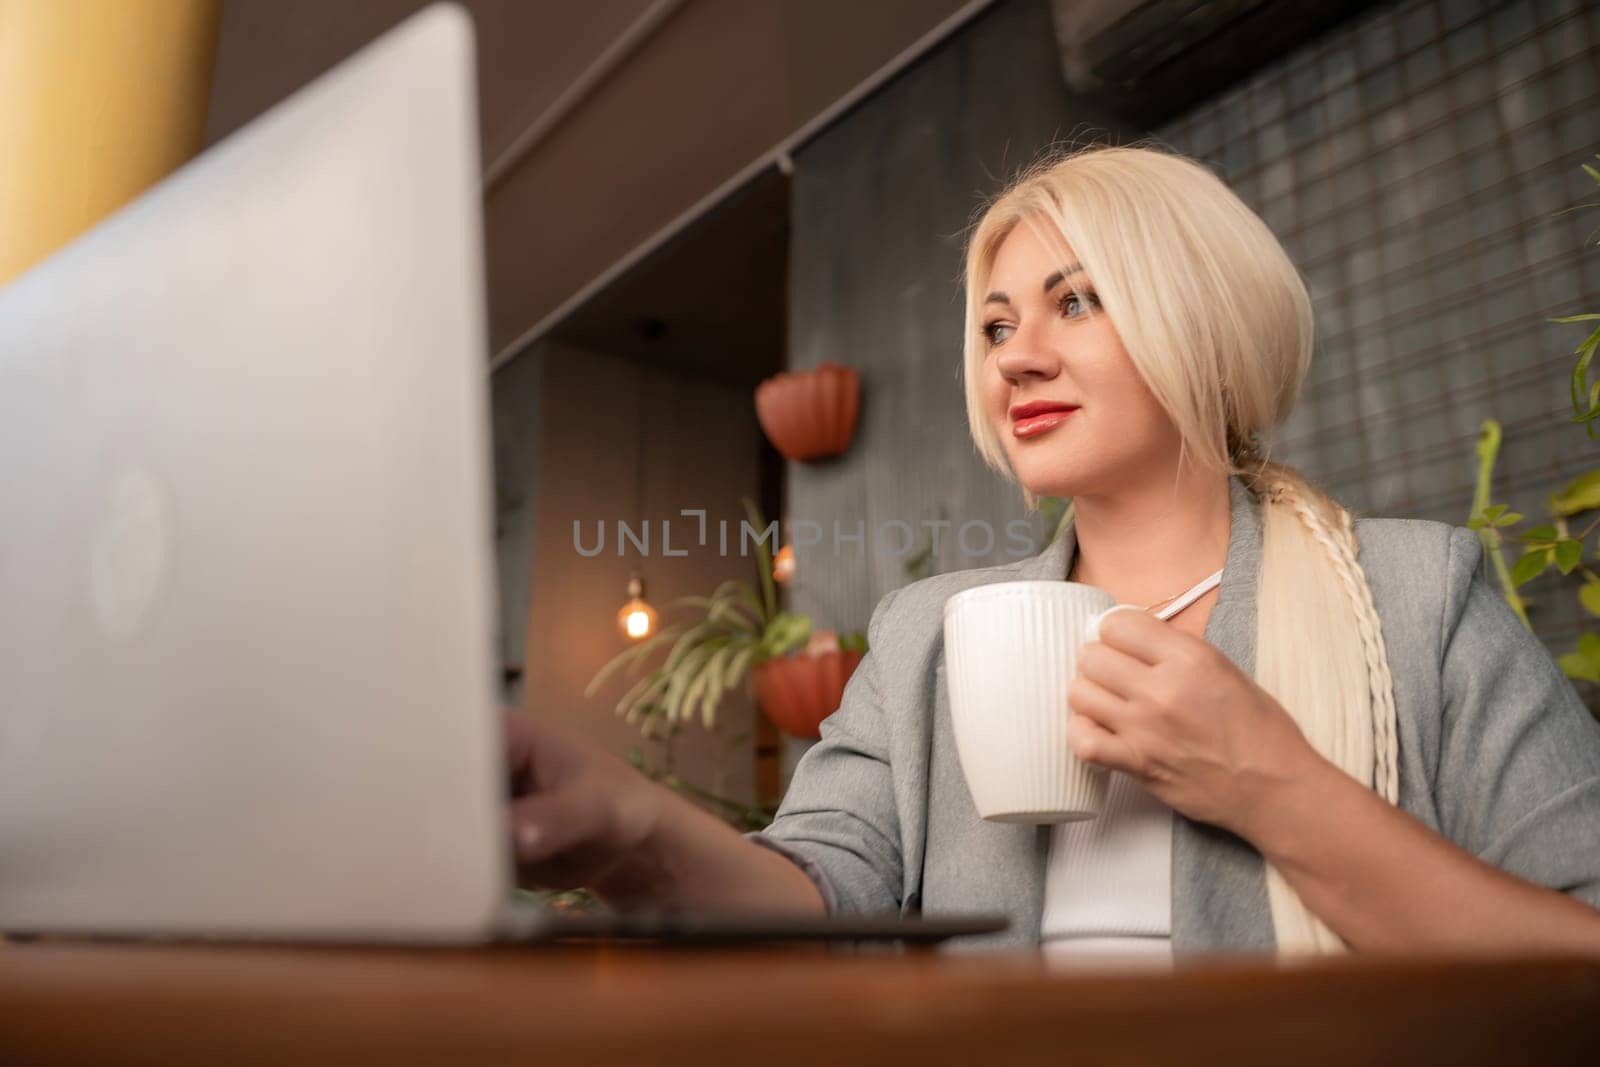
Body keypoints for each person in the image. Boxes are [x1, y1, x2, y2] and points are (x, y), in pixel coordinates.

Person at [505, 144, 1600, 957]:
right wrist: (631, 828)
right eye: (992, 325)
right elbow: (820, 900)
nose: (1015, 357)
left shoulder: (1419, 596)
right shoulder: (927, 633)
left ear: (1204, 321)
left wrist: (1272, 786)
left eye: (1073, 301)